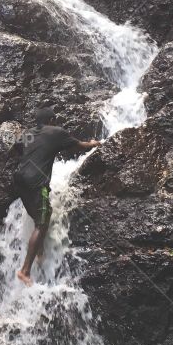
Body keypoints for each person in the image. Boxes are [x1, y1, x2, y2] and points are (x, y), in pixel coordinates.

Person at [12, 106, 102, 286]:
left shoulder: (28, 132)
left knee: (40, 214)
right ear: (52, 120)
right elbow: (80, 146)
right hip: (36, 182)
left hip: (18, 179)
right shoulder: (56, 132)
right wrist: (94, 143)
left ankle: (39, 252)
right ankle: (25, 271)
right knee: (42, 221)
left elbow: (16, 149)